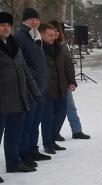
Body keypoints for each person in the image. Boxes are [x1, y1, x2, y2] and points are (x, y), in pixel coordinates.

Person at [0, 12, 42, 175]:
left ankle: (13, 163)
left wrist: (36, 93)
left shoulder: (14, 45)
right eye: (2, 25)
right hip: (2, 100)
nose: (6, 28)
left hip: (18, 99)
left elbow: (25, 72)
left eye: (8, 25)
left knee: (14, 135)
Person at [13, 7, 51, 166]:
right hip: (30, 87)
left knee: (36, 121)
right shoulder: (20, 36)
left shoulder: (35, 35)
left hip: (40, 86)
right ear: (24, 20)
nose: (35, 21)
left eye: (37, 19)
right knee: (27, 123)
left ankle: (32, 149)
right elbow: (21, 63)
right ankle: (23, 152)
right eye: (31, 19)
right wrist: (34, 77)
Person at [50, 20, 90, 140]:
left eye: (58, 30)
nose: (56, 32)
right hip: (51, 84)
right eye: (53, 30)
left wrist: (72, 81)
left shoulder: (63, 46)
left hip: (64, 83)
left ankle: (77, 130)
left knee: (70, 107)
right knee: (54, 111)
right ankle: (53, 133)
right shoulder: (45, 45)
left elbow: (69, 65)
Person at [40, 23, 76, 154]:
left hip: (61, 87)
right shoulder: (39, 48)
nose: (53, 37)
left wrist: (72, 81)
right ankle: (47, 143)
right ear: (42, 35)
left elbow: (67, 65)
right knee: (47, 117)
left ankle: (53, 137)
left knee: (61, 114)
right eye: (50, 35)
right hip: (47, 89)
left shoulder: (59, 48)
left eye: (54, 34)